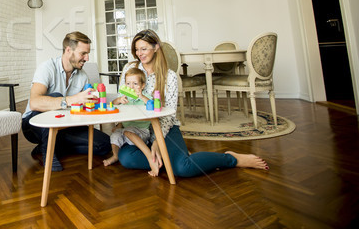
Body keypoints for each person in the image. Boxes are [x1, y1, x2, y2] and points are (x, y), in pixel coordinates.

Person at [117, 29, 269, 177]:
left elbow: (169, 114)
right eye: (136, 49)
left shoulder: (169, 76)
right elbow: (122, 98)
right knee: (126, 158)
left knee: (183, 168)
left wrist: (157, 142)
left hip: (164, 128)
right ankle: (165, 158)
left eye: (143, 48)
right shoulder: (130, 70)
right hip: (138, 131)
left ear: (156, 47)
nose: (139, 53)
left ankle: (230, 159)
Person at [22, 31, 111, 171]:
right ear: (68, 50)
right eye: (83, 53)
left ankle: (53, 145)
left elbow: (81, 108)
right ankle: (49, 153)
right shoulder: (47, 68)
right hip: (34, 124)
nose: (87, 58)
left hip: (65, 124)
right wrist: (72, 99)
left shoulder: (82, 76)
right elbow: (34, 102)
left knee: (104, 144)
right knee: (55, 95)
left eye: (87, 54)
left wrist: (90, 103)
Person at [103, 67, 161, 175]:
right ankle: (115, 156)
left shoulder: (145, 97)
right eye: (128, 84)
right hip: (126, 130)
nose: (131, 87)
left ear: (142, 86)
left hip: (142, 131)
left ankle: (150, 157)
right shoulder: (125, 97)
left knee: (127, 131)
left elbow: (153, 106)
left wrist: (142, 96)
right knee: (115, 134)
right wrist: (119, 100)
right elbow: (112, 105)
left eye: (135, 84)